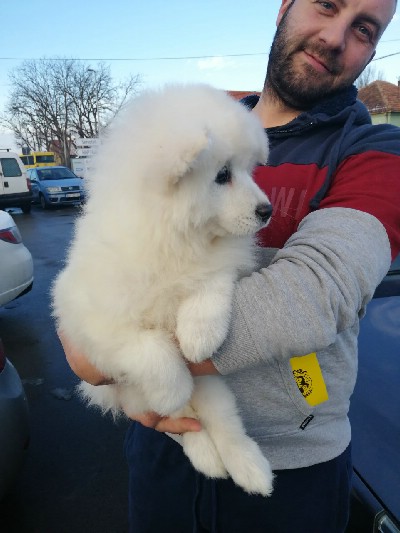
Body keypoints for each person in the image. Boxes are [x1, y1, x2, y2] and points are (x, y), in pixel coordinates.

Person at [60, 0, 400, 531]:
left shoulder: (377, 150)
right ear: (286, 6)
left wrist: (103, 348)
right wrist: (89, 318)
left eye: (363, 28)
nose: (335, 37)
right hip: (160, 440)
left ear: (374, 49)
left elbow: (318, 290)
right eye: (327, 4)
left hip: (294, 469)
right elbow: (108, 242)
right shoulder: (202, 122)